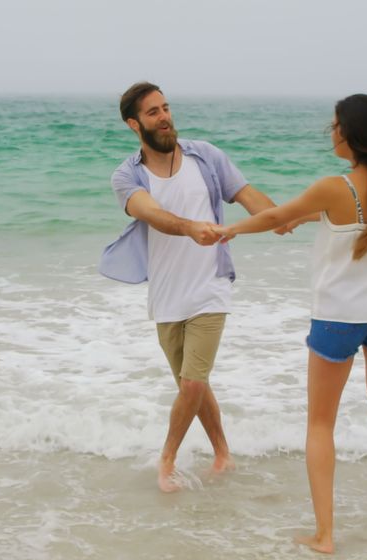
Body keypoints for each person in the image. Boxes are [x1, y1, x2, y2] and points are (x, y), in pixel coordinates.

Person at [214, 94, 367, 553]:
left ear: (351, 135)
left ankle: (325, 535)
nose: (331, 131)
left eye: (336, 125)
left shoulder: (333, 187)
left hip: (338, 321)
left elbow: (278, 216)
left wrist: (227, 231)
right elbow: (352, 217)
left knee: (321, 424)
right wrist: (303, 217)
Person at [99, 81, 281, 493]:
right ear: (134, 124)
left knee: (194, 381)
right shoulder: (127, 176)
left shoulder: (205, 156)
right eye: (153, 112)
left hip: (210, 286)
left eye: (165, 108)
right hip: (166, 294)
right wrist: (189, 228)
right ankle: (223, 453)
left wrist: (279, 217)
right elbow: (152, 213)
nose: (165, 117)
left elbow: (246, 194)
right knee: (192, 384)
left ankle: (166, 459)